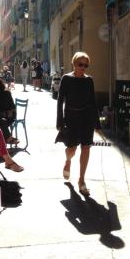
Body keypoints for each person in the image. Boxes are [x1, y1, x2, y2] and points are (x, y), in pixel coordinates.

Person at [56, 52, 103, 196]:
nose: (83, 67)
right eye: (80, 64)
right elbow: (60, 100)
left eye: (86, 65)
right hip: (71, 117)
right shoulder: (66, 79)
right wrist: (59, 120)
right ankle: (68, 161)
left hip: (86, 117)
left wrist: (97, 123)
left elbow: (93, 102)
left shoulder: (89, 80)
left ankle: (81, 180)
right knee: (71, 149)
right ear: (74, 64)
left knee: (86, 147)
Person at [0, 77, 18, 144]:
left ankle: (0, 141)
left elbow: (10, 108)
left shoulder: (6, 93)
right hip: (0, 116)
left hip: (9, 115)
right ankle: (7, 138)